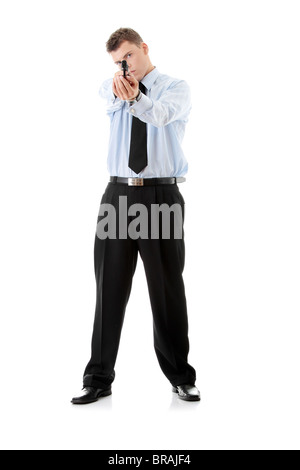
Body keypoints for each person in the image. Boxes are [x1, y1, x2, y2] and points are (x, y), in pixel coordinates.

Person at [71, 27, 200, 404]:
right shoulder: (113, 87)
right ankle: (97, 379)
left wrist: (137, 98)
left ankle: (181, 376)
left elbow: (159, 115)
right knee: (108, 288)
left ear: (143, 48)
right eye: (117, 62)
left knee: (166, 288)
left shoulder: (176, 87)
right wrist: (121, 91)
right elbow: (106, 95)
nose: (123, 66)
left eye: (128, 56)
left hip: (161, 194)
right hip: (117, 196)